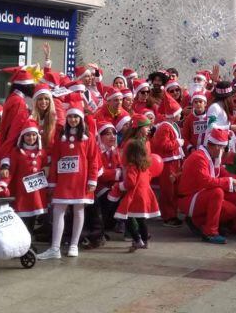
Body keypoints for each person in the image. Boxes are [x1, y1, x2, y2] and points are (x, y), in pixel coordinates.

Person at [39, 100, 99, 260]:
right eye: (70, 117)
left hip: (81, 180)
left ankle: (74, 244)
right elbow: (56, 158)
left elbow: (93, 160)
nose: (73, 120)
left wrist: (92, 180)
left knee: (79, 211)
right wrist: (52, 181)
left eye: (76, 117)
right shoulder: (61, 137)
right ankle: (55, 248)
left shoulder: (88, 138)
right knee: (59, 211)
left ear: (81, 119)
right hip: (63, 181)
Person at [178, 127, 236, 244]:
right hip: (189, 198)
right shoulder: (200, 157)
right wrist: (230, 182)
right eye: (223, 147)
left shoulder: (211, 157)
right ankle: (209, 231)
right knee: (217, 192)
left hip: (200, 195)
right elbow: (206, 181)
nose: (224, 151)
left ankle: (202, 221)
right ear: (217, 147)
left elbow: (226, 175)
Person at [113, 138, 160, 251]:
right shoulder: (145, 165)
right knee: (141, 220)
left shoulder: (132, 166)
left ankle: (138, 240)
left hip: (134, 196)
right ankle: (145, 241)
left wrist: (119, 186)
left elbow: (130, 183)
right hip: (145, 194)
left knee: (127, 218)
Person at [150, 106, 184, 227]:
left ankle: (172, 214)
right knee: (168, 190)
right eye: (179, 113)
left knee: (174, 189)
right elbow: (163, 145)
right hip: (168, 163)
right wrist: (178, 143)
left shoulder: (172, 125)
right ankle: (168, 216)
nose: (181, 115)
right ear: (173, 114)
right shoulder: (165, 127)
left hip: (175, 161)